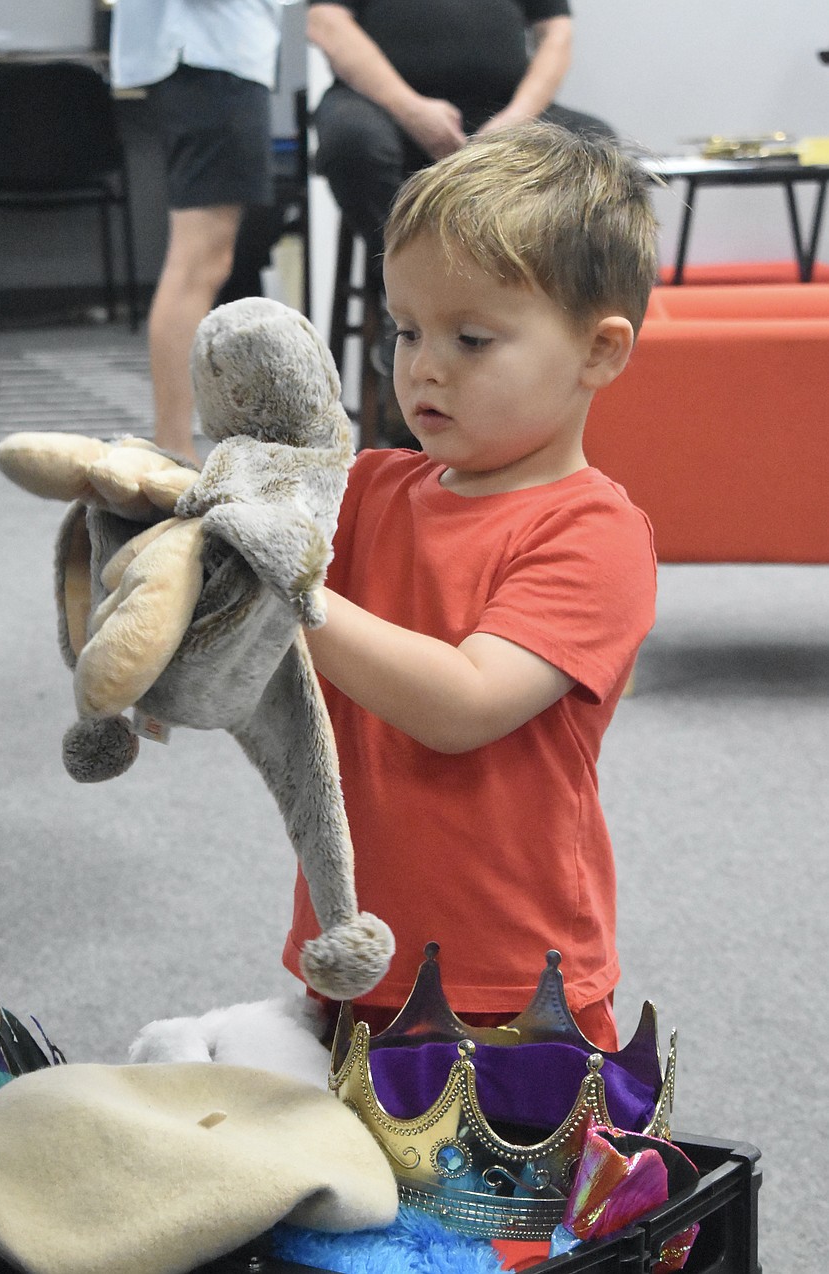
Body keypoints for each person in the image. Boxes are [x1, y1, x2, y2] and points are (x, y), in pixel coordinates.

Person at [282, 123, 659, 1053]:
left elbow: (463, 703)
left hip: (510, 991)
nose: (424, 365)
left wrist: (283, 592)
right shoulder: (366, 488)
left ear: (600, 353)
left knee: (498, 1202)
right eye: (407, 329)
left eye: (473, 337)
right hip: (352, 947)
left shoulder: (592, 534)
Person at [307, 0, 615, 306]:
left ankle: (542, 301)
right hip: (383, 106)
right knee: (353, 141)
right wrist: (410, 109)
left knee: (597, 149)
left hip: (502, 111)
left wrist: (517, 117)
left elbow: (556, 32)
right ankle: (410, 299)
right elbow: (326, 22)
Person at [110, 0, 283, 462]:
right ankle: (172, 450)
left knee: (203, 262)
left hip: (212, 56)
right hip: (212, 55)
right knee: (196, 263)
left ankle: (172, 448)